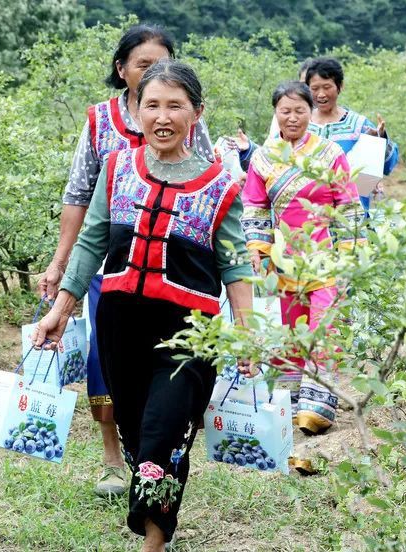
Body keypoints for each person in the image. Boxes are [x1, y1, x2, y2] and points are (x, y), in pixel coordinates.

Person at [34, 59, 253, 552]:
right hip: (120, 324)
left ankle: (152, 542)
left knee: (164, 432)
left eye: (175, 105)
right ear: (135, 109)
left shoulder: (222, 186)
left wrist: (248, 331)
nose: (162, 116)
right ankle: (159, 519)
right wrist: (59, 311)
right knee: (136, 432)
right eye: (151, 104)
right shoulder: (117, 170)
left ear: (196, 112)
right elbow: (90, 244)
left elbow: (236, 267)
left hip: (189, 333)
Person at [37, 24, 214, 498]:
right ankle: (115, 458)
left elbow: (209, 190)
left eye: (162, 65)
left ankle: (155, 452)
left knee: (167, 367)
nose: (154, 75)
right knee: (106, 362)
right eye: (143, 65)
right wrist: (61, 263)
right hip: (109, 266)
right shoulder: (101, 121)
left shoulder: (184, 115)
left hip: (172, 272)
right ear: (122, 70)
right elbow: (80, 199)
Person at [240, 81, 365, 437]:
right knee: (290, 331)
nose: (292, 117)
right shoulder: (264, 157)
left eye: (299, 110)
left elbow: (349, 205)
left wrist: (349, 254)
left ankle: (318, 406)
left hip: (324, 257)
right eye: (285, 111)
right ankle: (291, 401)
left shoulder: (329, 153)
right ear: (275, 113)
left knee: (323, 329)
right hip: (283, 261)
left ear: (311, 112)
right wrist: (258, 249)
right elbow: (255, 206)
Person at [304, 57, 399, 214]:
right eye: (314, 88)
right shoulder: (301, 124)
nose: (320, 94)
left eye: (327, 87)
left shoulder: (359, 125)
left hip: (352, 212)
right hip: (308, 212)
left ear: (340, 86)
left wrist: (380, 140)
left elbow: (387, 166)